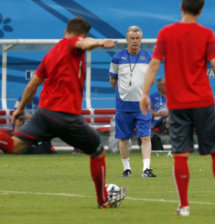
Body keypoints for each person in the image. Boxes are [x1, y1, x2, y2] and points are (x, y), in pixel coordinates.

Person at [0, 16, 127, 209]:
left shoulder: (51, 54)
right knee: (97, 152)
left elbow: (32, 85)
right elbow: (84, 43)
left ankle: (103, 198)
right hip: (65, 116)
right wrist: (100, 41)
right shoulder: (73, 44)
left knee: (14, 147)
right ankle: (103, 200)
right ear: (82, 33)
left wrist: (19, 109)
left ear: (66, 30)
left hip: (44, 114)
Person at [140, 0, 215, 216]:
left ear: (181, 7)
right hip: (204, 102)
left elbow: (154, 64)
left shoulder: (167, 33)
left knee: (180, 153)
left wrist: (144, 93)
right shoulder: (206, 34)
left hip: (177, 104)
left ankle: (184, 206)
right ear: (201, 11)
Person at [109, 26, 156, 178]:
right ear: (127, 40)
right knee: (123, 138)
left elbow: (151, 79)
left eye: (138, 38)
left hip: (142, 106)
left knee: (146, 137)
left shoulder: (148, 57)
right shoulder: (117, 58)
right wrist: (123, 93)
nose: (135, 41)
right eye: (132, 38)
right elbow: (112, 79)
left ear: (141, 40)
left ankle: (146, 169)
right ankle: (127, 169)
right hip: (123, 106)